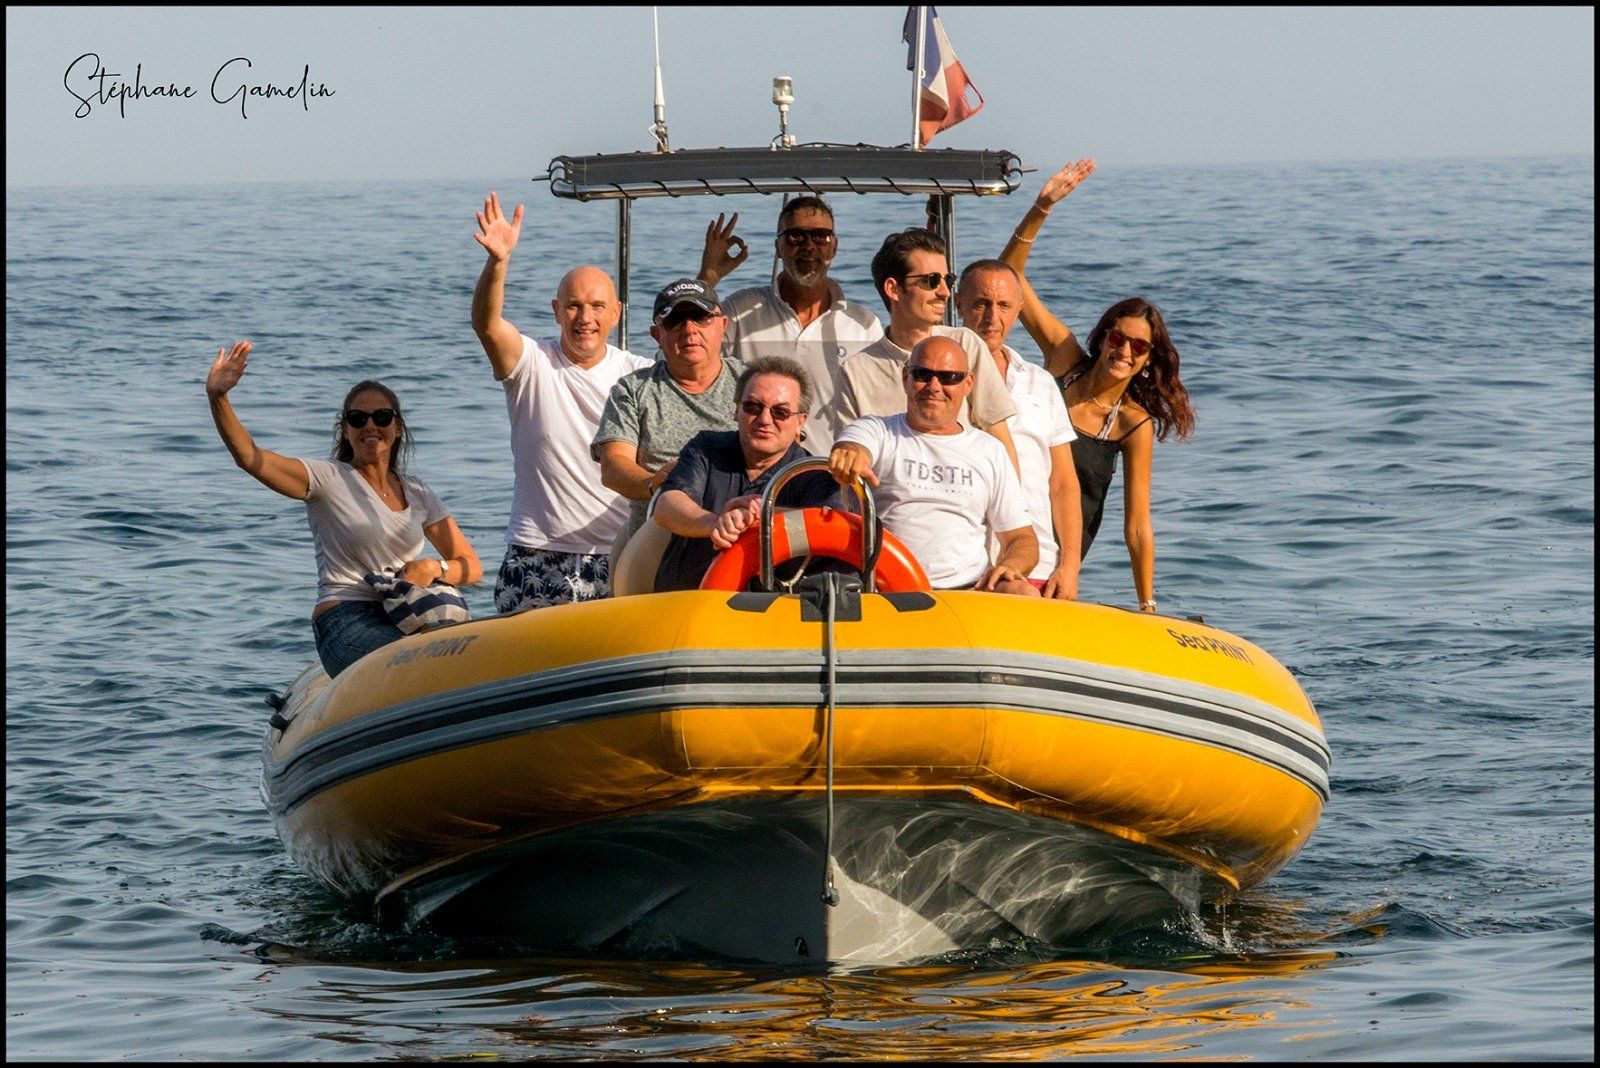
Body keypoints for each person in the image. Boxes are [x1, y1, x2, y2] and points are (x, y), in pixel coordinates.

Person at [204, 341, 483, 677]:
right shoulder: (328, 478)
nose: (370, 426)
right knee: (420, 668)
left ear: (397, 428)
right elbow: (250, 457)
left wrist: (434, 567)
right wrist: (218, 397)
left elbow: (471, 566)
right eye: (357, 418)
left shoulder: (419, 493)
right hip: (346, 620)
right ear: (345, 430)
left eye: (381, 417)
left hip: (404, 612)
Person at [1000, 158, 1196, 614]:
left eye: (1138, 347)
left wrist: (1146, 603)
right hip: (1005, 534)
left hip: (1057, 562)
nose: (1124, 351)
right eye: (1117, 337)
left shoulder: (1131, 425)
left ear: (1148, 362)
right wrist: (1041, 207)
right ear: (1102, 336)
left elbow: (1138, 526)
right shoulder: (1064, 360)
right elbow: (1008, 280)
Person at [470, 192, 651, 612]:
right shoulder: (532, 364)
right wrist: (498, 263)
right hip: (536, 554)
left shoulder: (640, 373)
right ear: (556, 311)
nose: (585, 317)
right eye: (573, 306)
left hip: (619, 555)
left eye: (596, 306)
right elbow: (486, 324)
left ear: (616, 313)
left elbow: (692, 356)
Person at [829, 336, 1039, 595]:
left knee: (1024, 592)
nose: (934, 386)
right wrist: (851, 455)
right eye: (922, 375)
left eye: (949, 377)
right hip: (887, 589)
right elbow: (854, 446)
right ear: (906, 377)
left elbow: (1022, 539)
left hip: (969, 591)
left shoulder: (990, 450)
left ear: (968, 384)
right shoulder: (877, 430)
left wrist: (1010, 565)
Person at [694, 197, 884, 453]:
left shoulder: (863, 325)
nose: (808, 246)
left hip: (831, 474)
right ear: (778, 246)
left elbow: (876, 410)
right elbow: (686, 358)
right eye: (796, 237)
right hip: (753, 471)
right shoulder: (739, 312)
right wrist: (708, 277)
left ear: (834, 247)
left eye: (820, 237)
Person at [592, 278, 742, 592]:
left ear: (722, 325)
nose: (689, 329)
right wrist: (656, 482)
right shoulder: (633, 390)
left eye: (701, 318)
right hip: (656, 553)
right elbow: (614, 466)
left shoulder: (751, 382)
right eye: (675, 320)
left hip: (738, 548)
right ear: (657, 335)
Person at [651, 356, 847, 592]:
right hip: (685, 604)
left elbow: (828, 526)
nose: (764, 419)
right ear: (736, 411)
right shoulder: (705, 448)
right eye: (753, 407)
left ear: (800, 421)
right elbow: (667, 505)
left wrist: (757, 518)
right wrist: (716, 523)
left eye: (781, 412)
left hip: (773, 616)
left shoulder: (815, 475)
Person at [837, 228, 1022, 475]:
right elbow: (851, 457)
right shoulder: (856, 371)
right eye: (931, 281)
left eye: (948, 280)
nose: (944, 292)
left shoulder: (966, 344)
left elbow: (1000, 440)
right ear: (893, 289)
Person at [955, 258, 1084, 600]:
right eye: (981, 303)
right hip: (965, 562)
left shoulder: (1040, 383)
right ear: (958, 304)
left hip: (1038, 561)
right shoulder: (938, 380)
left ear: (1019, 311)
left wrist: (1069, 566)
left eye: (1003, 305)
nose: (991, 317)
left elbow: (1063, 483)